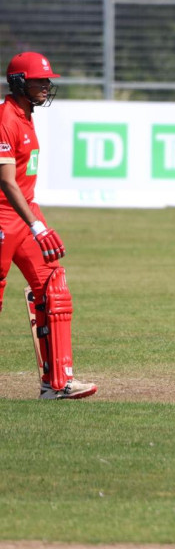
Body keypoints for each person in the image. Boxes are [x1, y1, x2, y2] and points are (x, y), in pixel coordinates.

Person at [0, 52, 97, 400]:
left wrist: (36, 223)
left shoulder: (26, 116)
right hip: (4, 216)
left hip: (24, 215)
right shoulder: (4, 117)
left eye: (46, 80)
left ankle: (57, 384)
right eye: (39, 80)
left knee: (53, 287)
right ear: (19, 82)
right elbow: (7, 182)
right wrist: (37, 226)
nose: (46, 86)